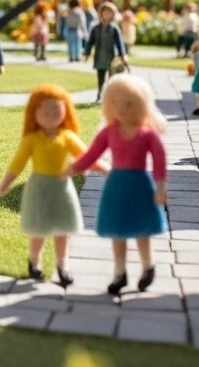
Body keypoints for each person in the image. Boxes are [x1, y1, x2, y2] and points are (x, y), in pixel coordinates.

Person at [72, 74, 168, 296]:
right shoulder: (109, 131)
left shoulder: (147, 134)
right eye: (115, 102)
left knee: (142, 229)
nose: (121, 109)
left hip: (140, 185)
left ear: (141, 105)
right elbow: (92, 154)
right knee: (118, 230)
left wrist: (160, 184)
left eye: (129, 103)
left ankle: (147, 266)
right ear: (107, 104)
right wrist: (74, 168)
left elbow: (159, 159)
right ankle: (119, 272)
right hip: (116, 185)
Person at [0, 85, 97, 287]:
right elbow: (18, 162)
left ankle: (63, 264)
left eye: (56, 110)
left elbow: (86, 157)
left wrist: (96, 169)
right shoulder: (32, 139)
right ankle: (35, 261)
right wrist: (6, 183)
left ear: (65, 111)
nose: (51, 115)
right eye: (45, 111)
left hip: (62, 188)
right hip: (39, 187)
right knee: (38, 229)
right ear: (34, 113)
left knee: (62, 229)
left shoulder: (67, 136)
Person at [84, 2, 130, 102]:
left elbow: (120, 43)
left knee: (112, 78)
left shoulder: (114, 29)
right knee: (100, 77)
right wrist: (87, 53)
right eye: (105, 12)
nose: (107, 15)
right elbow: (90, 42)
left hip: (112, 57)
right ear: (101, 13)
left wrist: (123, 55)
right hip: (100, 56)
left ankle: (111, 96)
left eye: (110, 13)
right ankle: (100, 94)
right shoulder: (96, 28)